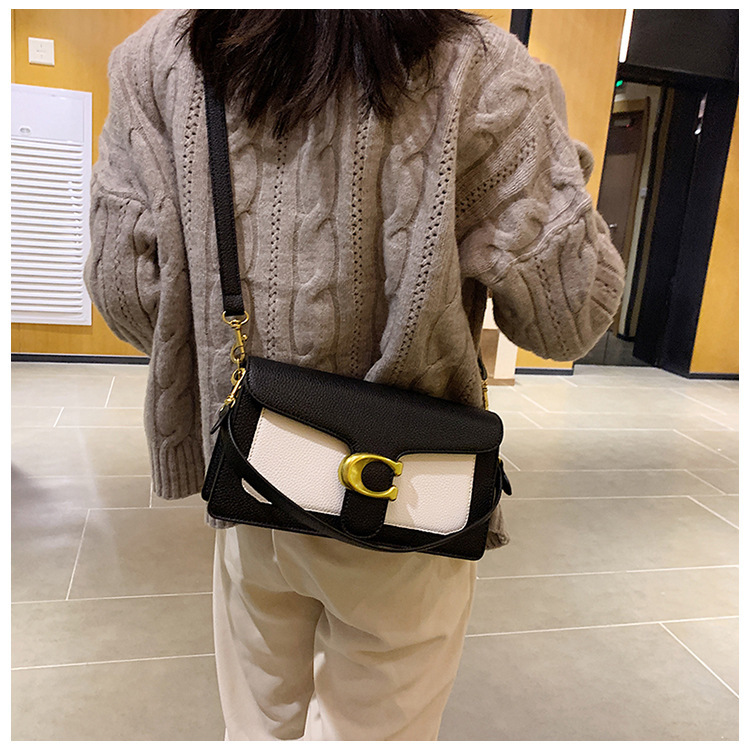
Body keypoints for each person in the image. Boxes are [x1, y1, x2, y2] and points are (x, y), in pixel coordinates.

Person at [86, 9, 625, 741]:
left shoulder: (158, 58)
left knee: (255, 727)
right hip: (412, 494)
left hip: (257, 473)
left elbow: (128, 294)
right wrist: (559, 161)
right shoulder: (488, 68)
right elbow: (569, 319)